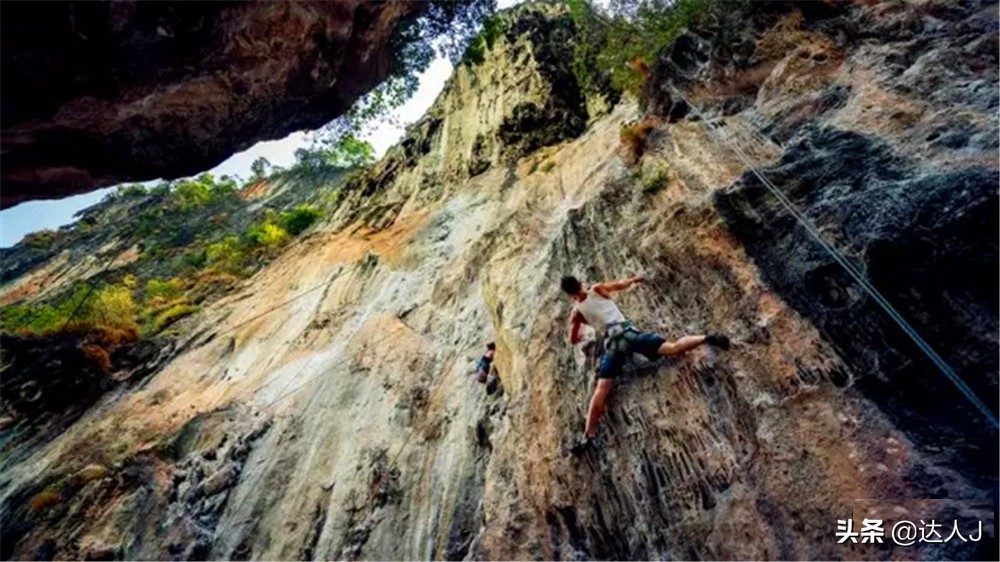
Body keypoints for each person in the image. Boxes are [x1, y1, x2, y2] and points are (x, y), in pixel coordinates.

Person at [561, 274, 730, 455]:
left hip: (613, 344)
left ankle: (588, 436)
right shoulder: (596, 289)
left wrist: (582, 332)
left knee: (601, 390)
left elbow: (572, 339)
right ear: (580, 283)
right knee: (672, 348)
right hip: (628, 333)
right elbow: (620, 284)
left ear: (569, 295)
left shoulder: (576, 313)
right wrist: (636, 279)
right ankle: (707, 338)